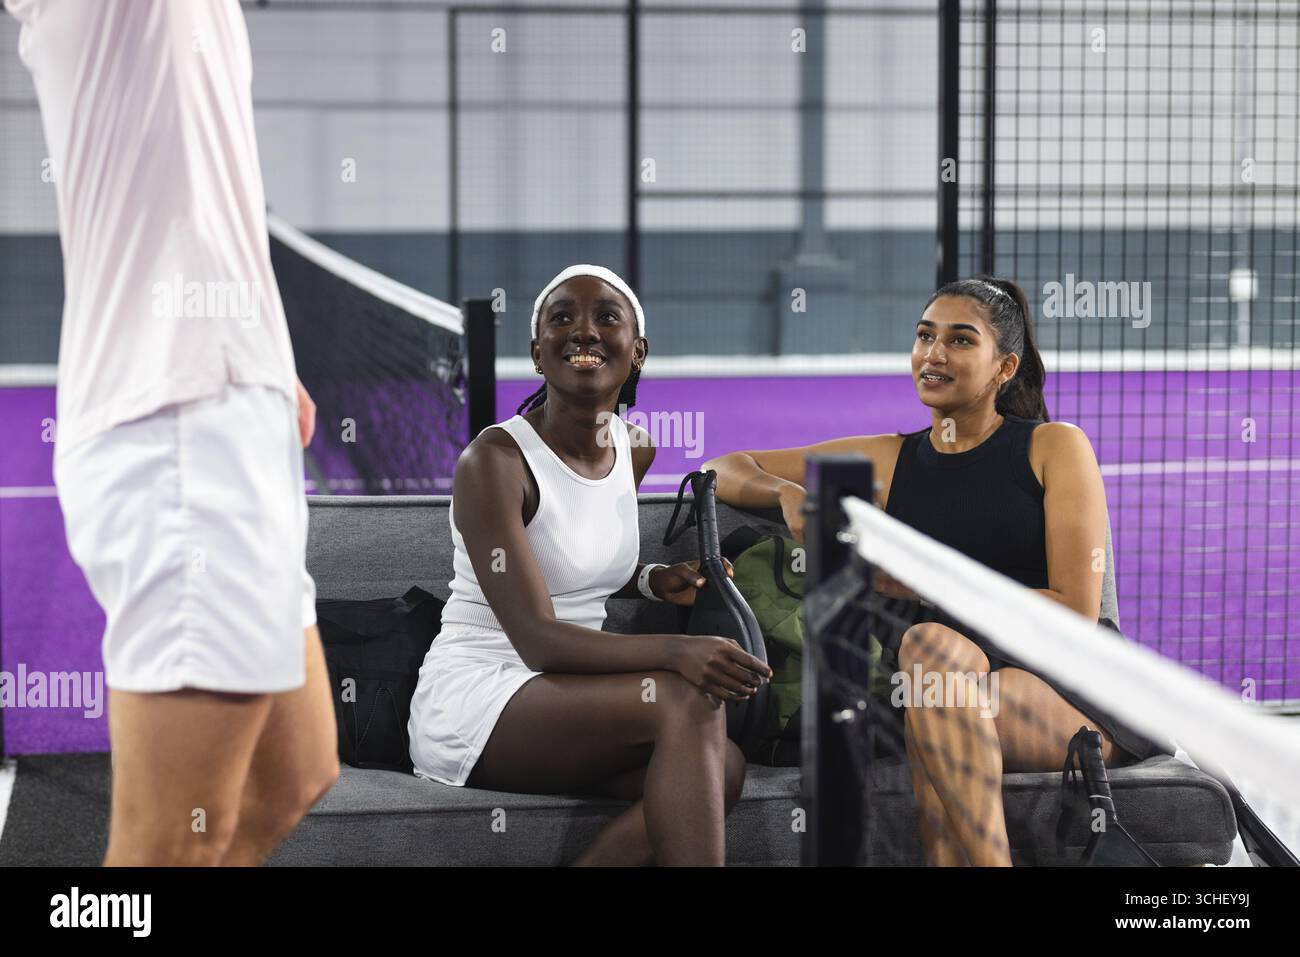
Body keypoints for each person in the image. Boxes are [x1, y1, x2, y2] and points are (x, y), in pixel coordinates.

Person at [7, 0, 337, 865]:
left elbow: (196, 187)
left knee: (295, 772)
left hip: (233, 400)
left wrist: (263, 353)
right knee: (166, 849)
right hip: (181, 441)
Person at [704, 276, 1155, 866]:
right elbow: (722, 466)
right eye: (924, 336)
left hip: (1065, 687)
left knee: (933, 687)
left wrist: (920, 584)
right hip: (940, 682)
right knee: (930, 654)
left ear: (1004, 368)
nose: (934, 354)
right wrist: (786, 494)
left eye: (961, 340)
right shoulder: (892, 459)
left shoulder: (1054, 446)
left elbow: (1073, 610)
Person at [407, 264, 772, 866]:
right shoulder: (493, 462)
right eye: (562, 320)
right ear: (536, 352)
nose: (584, 332)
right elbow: (538, 641)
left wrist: (655, 580)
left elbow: (574, 549)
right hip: (482, 694)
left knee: (724, 766)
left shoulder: (633, 447)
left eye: (606, 318)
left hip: (568, 695)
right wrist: (680, 652)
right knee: (684, 700)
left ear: (637, 351)